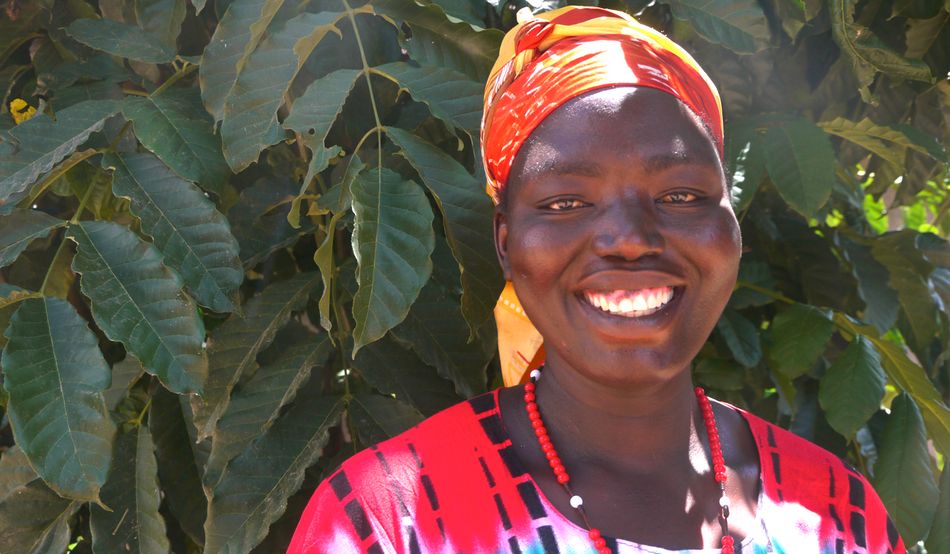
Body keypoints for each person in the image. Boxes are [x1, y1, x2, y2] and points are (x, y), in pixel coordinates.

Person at [288, 6, 903, 553]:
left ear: (731, 229)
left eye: (682, 194)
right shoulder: (388, 521)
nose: (630, 238)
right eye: (566, 203)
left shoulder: (838, 516)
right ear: (506, 245)